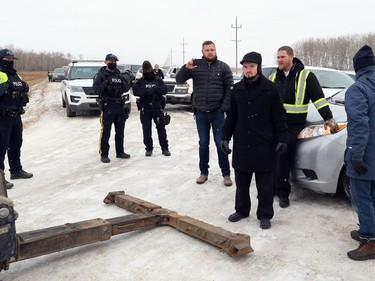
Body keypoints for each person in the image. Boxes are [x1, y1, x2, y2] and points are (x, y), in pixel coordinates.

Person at [221, 52, 288, 229]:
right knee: (241, 184)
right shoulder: (236, 90)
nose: (248, 70)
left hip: (264, 144)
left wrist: (283, 138)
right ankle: (242, 210)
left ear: (258, 67)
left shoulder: (271, 89)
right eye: (245, 67)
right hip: (242, 143)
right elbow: (231, 116)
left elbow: (280, 116)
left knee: (265, 186)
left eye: (251, 66)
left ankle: (265, 214)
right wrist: (225, 137)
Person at [271, 46, 338, 208]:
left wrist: (329, 119)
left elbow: (319, 100)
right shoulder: (273, 77)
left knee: (283, 154)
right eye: (278, 57)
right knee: (270, 155)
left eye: (282, 57)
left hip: (294, 125)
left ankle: (283, 193)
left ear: (291, 57)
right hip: (275, 123)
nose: (279, 60)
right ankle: (272, 187)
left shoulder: (306, 76)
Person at [176, 40, 233, 186]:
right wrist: (186, 68)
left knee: (221, 143)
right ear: (202, 52)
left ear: (215, 50)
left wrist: (224, 107)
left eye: (212, 49)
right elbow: (179, 79)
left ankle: (226, 174)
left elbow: (229, 89)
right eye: (207, 50)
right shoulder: (195, 67)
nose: (210, 52)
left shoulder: (224, 67)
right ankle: (203, 172)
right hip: (201, 113)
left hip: (217, 114)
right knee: (203, 144)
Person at [344, 44, 375, 261]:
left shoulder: (358, 89)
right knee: (373, 197)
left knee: (361, 198)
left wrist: (355, 155)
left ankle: (371, 241)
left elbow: (359, 124)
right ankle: (368, 230)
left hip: (365, 156)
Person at [0, 48, 33, 188]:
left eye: (12, 59)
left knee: (16, 143)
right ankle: (0, 180)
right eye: (8, 59)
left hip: (16, 115)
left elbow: (23, 90)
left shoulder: (15, 75)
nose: (11, 62)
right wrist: (7, 88)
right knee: (1, 148)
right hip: (2, 116)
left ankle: (16, 170)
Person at [93, 53, 131, 163]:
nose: (113, 63)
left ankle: (120, 152)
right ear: (105, 62)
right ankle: (104, 154)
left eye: (115, 61)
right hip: (108, 106)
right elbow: (96, 90)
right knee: (106, 131)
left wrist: (128, 81)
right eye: (111, 61)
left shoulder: (119, 75)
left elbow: (125, 88)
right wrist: (106, 83)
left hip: (119, 105)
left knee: (120, 131)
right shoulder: (100, 75)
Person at [133, 60, 170, 157]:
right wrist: (146, 91)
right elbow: (135, 91)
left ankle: (165, 148)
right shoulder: (141, 81)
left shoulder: (158, 80)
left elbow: (165, 89)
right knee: (146, 129)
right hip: (145, 108)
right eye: (145, 70)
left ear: (151, 69)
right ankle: (148, 148)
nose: (147, 71)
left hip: (157, 106)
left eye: (148, 69)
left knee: (161, 128)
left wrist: (154, 89)